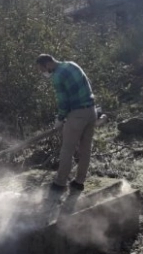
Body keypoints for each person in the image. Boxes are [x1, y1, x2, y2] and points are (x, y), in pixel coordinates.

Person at [36, 54, 97, 193]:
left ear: (48, 64)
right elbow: (87, 84)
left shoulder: (58, 76)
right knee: (85, 149)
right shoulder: (72, 64)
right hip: (91, 111)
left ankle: (60, 183)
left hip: (77, 115)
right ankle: (79, 182)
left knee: (67, 149)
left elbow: (63, 101)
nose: (43, 73)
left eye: (42, 69)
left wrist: (60, 118)